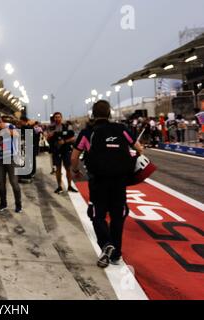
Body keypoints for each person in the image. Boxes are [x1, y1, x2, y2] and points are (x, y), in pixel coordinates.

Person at [70, 100, 143, 268]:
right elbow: (139, 148)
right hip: (119, 180)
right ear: (109, 113)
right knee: (118, 215)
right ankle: (116, 251)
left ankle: (106, 244)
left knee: (97, 214)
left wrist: (75, 170)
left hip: (98, 180)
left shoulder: (87, 133)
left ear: (93, 114)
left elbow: (74, 157)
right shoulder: (121, 129)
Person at [47, 112, 77, 194]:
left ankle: (70, 186)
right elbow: (47, 137)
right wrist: (50, 135)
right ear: (54, 118)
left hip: (66, 150)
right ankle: (59, 186)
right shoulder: (50, 127)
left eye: (59, 117)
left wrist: (65, 141)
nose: (57, 118)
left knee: (68, 168)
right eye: (56, 117)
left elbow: (73, 138)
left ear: (61, 117)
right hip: (56, 150)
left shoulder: (66, 126)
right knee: (58, 169)